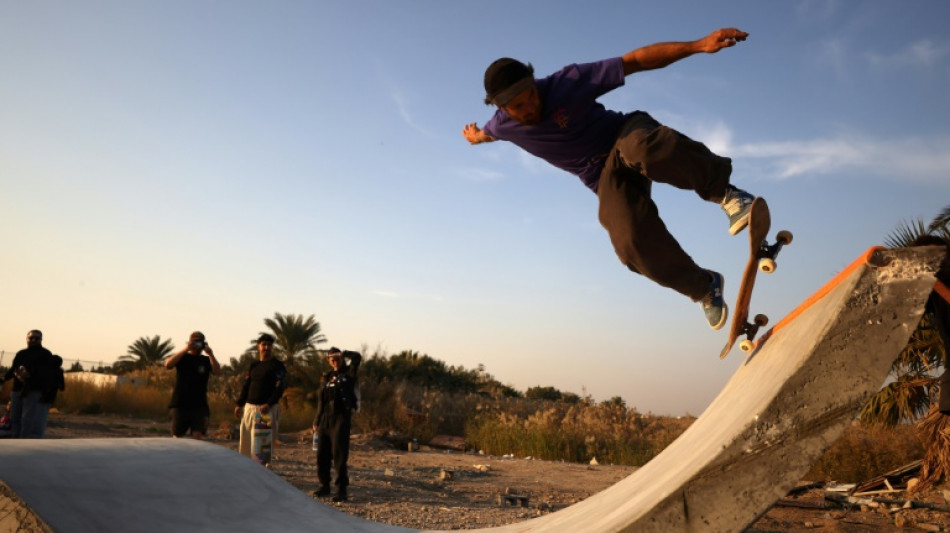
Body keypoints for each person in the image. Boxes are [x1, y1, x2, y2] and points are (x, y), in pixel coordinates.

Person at [462, 28, 756, 330]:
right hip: (603, 177)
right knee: (629, 244)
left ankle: (728, 195)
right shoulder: (501, 125)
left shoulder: (568, 82)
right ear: (501, 108)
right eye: (519, 107)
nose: (531, 107)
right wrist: (475, 137)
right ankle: (704, 287)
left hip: (625, 133)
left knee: (643, 148)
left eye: (532, 96)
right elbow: (487, 134)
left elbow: (635, 61)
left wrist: (697, 46)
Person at [312, 347, 361, 502]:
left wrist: (345, 353)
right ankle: (324, 486)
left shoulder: (348, 373)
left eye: (337, 358)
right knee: (322, 454)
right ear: (328, 360)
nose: (335, 361)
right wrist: (316, 420)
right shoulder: (326, 377)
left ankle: (341, 490)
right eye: (331, 358)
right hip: (325, 418)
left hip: (341, 417)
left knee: (339, 454)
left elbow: (357, 357)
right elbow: (321, 401)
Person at [234, 334, 287, 459]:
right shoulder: (254, 365)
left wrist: (269, 404)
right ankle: (247, 475)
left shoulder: (278, 366)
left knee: (262, 452)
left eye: (269, 345)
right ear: (258, 346)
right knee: (245, 448)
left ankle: (262, 475)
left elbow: (280, 388)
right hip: (249, 410)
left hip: (266, 412)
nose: (266, 347)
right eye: (264, 344)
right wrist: (239, 404)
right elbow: (247, 385)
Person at [165, 331, 220, 439]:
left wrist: (210, 354)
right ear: (189, 342)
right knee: (177, 436)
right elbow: (168, 364)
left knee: (198, 436)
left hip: (199, 405)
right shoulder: (183, 357)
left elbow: (217, 371)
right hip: (180, 404)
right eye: (194, 342)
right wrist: (186, 349)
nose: (197, 345)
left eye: (199, 342)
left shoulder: (205, 360)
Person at [0, 330, 53, 438]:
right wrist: (4, 379)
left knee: (28, 419)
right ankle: (15, 438)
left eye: (37, 338)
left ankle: (25, 441)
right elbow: (13, 369)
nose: (34, 340)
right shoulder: (21, 354)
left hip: (33, 390)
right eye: (31, 338)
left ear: (41, 339)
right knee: (15, 416)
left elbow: (47, 373)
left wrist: (31, 374)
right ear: (27, 339)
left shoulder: (45, 354)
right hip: (17, 389)